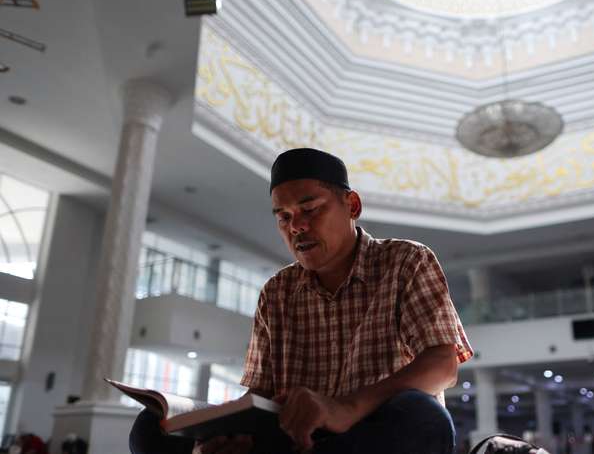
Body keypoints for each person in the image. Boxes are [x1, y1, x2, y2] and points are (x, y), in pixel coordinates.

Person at [129, 148, 474, 454]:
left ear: (351, 205)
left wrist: (346, 408)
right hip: (292, 438)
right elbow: (259, 395)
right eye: (284, 217)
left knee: (423, 418)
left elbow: (443, 365)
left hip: (368, 433)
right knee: (153, 425)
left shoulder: (406, 261)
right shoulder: (277, 292)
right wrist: (228, 434)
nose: (297, 227)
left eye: (310, 209)